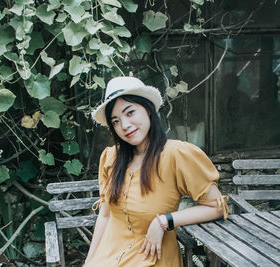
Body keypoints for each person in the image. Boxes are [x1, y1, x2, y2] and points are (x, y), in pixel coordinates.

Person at [84, 76, 228, 266]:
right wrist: (89, 261)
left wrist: (164, 221)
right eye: (116, 121)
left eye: (130, 112)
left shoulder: (177, 154)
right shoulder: (112, 158)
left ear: (148, 110)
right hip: (107, 257)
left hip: (151, 258)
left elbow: (217, 207)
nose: (124, 125)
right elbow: (105, 215)